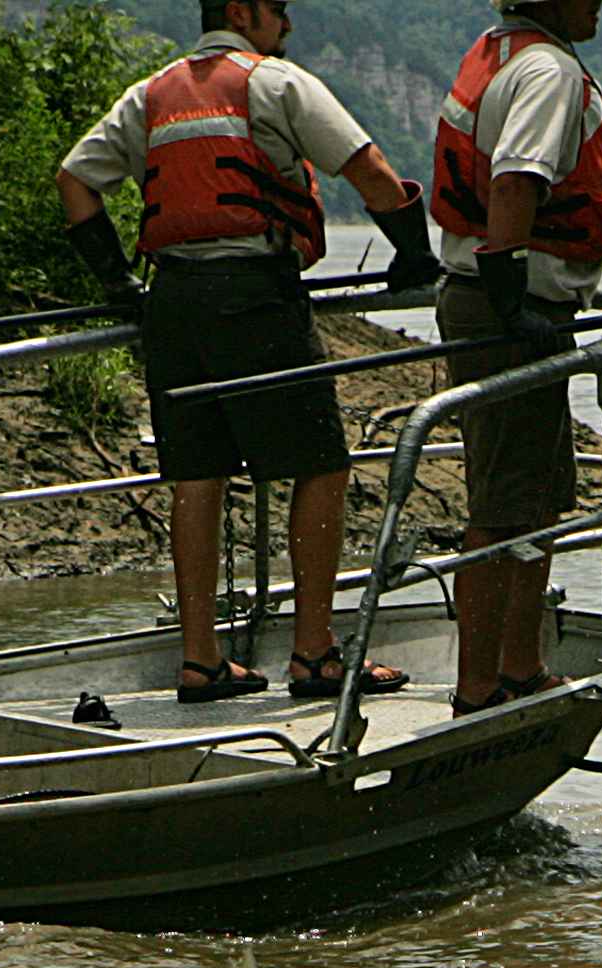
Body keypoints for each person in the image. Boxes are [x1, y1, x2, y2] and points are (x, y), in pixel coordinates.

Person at [57, 0, 443, 703]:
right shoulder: (276, 82)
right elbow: (374, 172)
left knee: (197, 477)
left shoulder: (150, 94)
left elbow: (74, 180)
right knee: (321, 464)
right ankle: (314, 654)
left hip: (173, 305)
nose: (287, 24)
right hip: (255, 297)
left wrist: (117, 283)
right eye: (279, 8)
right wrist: (414, 257)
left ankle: (201, 661)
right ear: (241, 10)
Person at [431, 0, 602, 716]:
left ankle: (519, 664)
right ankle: (483, 684)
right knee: (505, 504)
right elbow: (516, 180)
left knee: (532, 501)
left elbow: (574, 190)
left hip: (509, 306)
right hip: (502, 312)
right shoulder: (549, 70)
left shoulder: (504, 52)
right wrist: (513, 302)